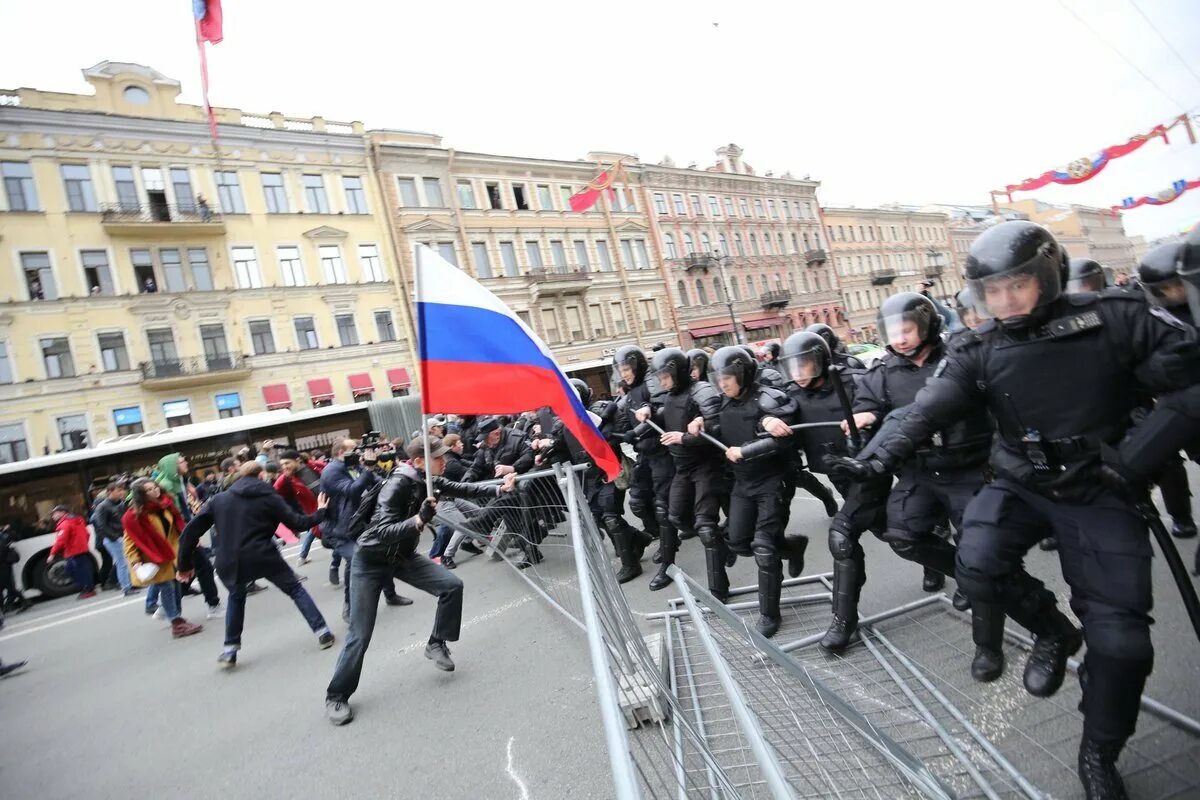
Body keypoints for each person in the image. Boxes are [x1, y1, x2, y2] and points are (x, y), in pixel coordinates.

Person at [829, 220, 1200, 799]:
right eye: (992, 292)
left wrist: (1134, 462)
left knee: (1124, 644)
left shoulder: (1116, 319)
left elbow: (1188, 386)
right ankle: (1052, 631)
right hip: (1018, 484)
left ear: (1047, 276)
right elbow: (926, 409)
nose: (1004, 301)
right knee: (975, 565)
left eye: (1017, 286)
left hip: (1100, 491)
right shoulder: (982, 346)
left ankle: (1099, 752)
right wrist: (875, 463)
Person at [835, 293, 1007, 679]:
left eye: (907, 329)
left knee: (981, 556)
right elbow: (869, 404)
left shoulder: (959, 357)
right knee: (903, 535)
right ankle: (962, 575)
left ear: (927, 326)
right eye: (893, 332)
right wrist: (863, 416)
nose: (900, 338)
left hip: (969, 469)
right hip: (918, 471)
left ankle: (988, 645)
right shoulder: (882, 371)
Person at [325, 437, 517, 726]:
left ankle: (436, 643)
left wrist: (499, 487)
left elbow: (464, 488)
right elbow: (381, 531)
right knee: (360, 634)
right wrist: (417, 521)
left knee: (452, 586)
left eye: (443, 455)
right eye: (437, 456)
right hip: (370, 560)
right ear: (416, 461)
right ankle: (336, 695)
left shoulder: (430, 480)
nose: (443, 460)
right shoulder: (398, 484)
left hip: (401, 556)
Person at [769, 331, 890, 649]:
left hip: (868, 472)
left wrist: (871, 416)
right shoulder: (791, 393)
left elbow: (890, 409)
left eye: (805, 364)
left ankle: (843, 621)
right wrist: (768, 423)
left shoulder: (852, 381)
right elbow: (771, 413)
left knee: (843, 537)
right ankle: (950, 565)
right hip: (837, 474)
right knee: (894, 533)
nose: (799, 373)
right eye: (793, 366)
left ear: (821, 361)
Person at [178, 462, 335, 668]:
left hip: (228, 558)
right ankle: (322, 632)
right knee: (295, 589)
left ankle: (230, 649)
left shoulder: (219, 500)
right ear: (261, 476)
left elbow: (190, 531)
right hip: (263, 554)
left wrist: (184, 565)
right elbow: (298, 523)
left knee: (236, 597)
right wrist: (321, 511)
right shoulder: (269, 498)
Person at [700, 346, 802, 635]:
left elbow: (783, 439)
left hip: (772, 482)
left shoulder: (769, 398)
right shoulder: (723, 402)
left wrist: (747, 448)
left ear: (742, 374)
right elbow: (717, 424)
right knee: (737, 541)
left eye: (727, 377)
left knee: (763, 548)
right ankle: (793, 547)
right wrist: (700, 423)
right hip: (743, 483)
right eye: (718, 378)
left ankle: (769, 615)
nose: (723, 383)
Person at [636, 348, 724, 593]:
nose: (661, 381)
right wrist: (646, 411)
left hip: (706, 466)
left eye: (665, 376)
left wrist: (684, 438)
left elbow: (716, 428)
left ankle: (718, 589)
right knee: (674, 517)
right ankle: (717, 544)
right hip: (682, 468)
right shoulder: (669, 396)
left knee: (706, 527)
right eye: (659, 377)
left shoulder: (701, 390)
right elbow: (663, 415)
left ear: (677, 371)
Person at [615, 346, 675, 566]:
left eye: (627, 368)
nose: (624, 373)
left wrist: (635, 432)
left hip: (662, 452)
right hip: (644, 454)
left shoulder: (652, 382)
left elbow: (659, 410)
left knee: (663, 503)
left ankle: (671, 544)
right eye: (621, 369)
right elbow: (620, 416)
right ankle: (660, 534)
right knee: (638, 501)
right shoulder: (630, 392)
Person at [121, 479, 203, 639]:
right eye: (149, 490)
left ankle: (177, 617)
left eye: (155, 487)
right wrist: (135, 562)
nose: (155, 491)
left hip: (173, 554)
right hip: (154, 557)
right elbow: (129, 542)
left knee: (177, 585)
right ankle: (176, 623)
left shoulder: (166, 505)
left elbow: (177, 528)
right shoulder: (134, 516)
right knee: (167, 587)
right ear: (141, 495)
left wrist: (190, 540)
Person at [155, 453, 222, 617]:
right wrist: (189, 536)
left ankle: (165, 606)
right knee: (204, 567)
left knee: (186, 568)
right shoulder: (167, 486)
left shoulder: (179, 482)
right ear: (172, 466)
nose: (186, 462)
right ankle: (213, 605)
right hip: (179, 535)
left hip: (183, 533)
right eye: (182, 461)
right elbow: (175, 515)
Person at [90, 481, 138, 596]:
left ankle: (129, 585)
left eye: (122, 490)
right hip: (114, 539)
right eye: (119, 490)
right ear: (110, 492)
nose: (122, 492)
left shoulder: (120, 503)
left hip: (121, 536)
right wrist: (115, 537)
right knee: (122, 563)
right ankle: (126, 587)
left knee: (125, 562)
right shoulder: (103, 506)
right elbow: (101, 525)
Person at [48, 505, 95, 599]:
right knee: (81, 570)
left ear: (62, 513)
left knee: (73, 571)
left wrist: (52, 554)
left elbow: (60, 540)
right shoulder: (78, 520)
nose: (53, 516)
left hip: (73, 551)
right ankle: (87, 588)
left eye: (54, 513)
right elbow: (87, 534)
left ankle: (88, 589)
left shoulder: (65, 524)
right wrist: (83, 544)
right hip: (82, 549)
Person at [0, 525, 30, 612]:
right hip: (4, 565)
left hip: (3, 566)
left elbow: (2, 550)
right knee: (7, 586)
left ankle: (22, 601)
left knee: (7, 586)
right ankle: (6, 606)